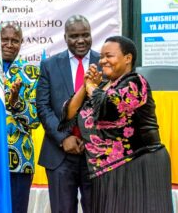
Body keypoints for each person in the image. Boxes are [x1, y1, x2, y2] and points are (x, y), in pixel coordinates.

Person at [59, 35, 173, 213]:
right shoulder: (102, 87)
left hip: (138, 164)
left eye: (109, 56)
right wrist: (85, 85)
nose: (103, 61)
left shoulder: (136, 82)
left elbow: (109, 107)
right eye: (102, 56)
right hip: (106, 170)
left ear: (128, 58)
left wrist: (91, 88)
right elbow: (68, 114)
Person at [36, 15, 99, 213]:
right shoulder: (50, 65)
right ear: (65, 37)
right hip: (59, 154)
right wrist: (64, 138)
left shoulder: (104, 63)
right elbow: (43, 106)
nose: (81, 40)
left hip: (96, 155)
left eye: (85, 35)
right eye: (74, 36)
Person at [1, 21, 40, 213]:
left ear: (21, 42)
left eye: (14, 40)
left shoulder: (31, 73)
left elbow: (34, 120)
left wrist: (16, 102)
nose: (9, 44)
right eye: (4, 40)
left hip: (19, 157)